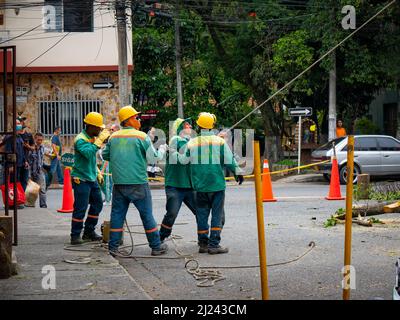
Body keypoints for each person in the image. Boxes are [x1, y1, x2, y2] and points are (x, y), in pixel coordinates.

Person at [102, 105, 168, 256]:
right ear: (129, 120)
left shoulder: (113, 137)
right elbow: (153, 158)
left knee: (117, 215)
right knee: (146, 214)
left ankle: (113, 248)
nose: (139, 120)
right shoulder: (141, 136)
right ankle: (156, 246)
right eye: (136, 117)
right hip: (138, 183)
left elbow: (105, 155)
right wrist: (162, 149)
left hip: (119, 184)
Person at [185, 112, 243, 254]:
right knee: (217, 215)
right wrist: (238, 173)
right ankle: (214, 244)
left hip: (200, 186)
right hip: (216, 185)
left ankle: (203, 244)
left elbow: (184, 161)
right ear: (212, 126)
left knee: (202, 215)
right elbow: (229, 161)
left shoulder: (192, 143)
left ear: (198, 126)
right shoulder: (219, 142)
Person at [70, 112, 110, 245]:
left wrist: (97, 172)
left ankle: (89, 231)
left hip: (91, 177)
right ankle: (75, 235)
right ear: (91, 126)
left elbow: (91, 160)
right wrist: (99, 142)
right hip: (80, 178)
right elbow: (87, 153)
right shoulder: (80, 139)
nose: (100, 130)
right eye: (98, 128)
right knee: (80, 207)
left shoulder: (92, 137)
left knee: (97, 203)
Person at [159, 118, 196, 243]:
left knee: (201, 212)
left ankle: (204, 240)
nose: (190, 126)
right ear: (180, 128)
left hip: (190, 186)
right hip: (174, 185)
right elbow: (184, 152)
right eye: (186, 124)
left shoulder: (191, 141)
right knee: (171, 214)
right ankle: (160, 238)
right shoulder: (176, 140)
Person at [28, 132, 47, 208]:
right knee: (31, 190)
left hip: (39, 171)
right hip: (31, 171)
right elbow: (28, 159)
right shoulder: (31, 148)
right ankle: (30, 204)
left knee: (42, 189)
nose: (40, 141)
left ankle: (43, 204)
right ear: (35, 139)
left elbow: (42, 159)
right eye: (38, 140)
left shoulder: (42, 147)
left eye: (41, 140)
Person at [18, 116, 34, 191]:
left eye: (24, 120)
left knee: (24, 180)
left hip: (26, 161)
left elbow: (34, 148)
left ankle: (23, 198)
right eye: (21, 121)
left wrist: (28, 146)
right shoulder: (15, 135)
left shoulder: (29, 135)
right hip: (17, 161)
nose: (23, 122)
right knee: (16, 180)